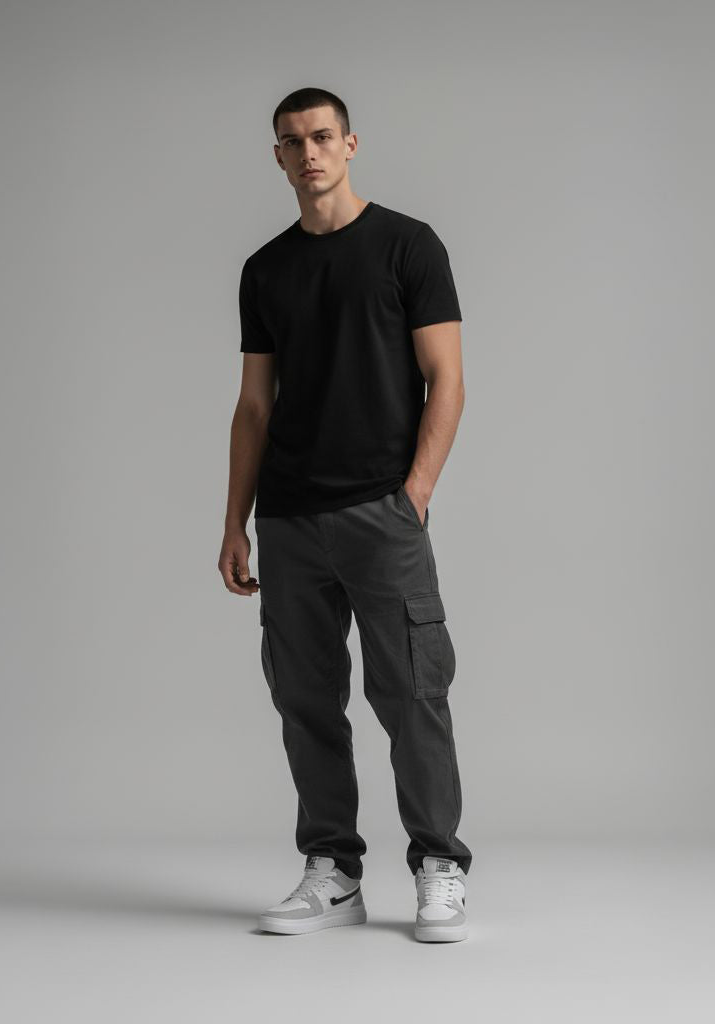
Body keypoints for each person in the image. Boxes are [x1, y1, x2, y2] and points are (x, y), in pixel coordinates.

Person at [218, 87, 472, 942]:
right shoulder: (265, 270)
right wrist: (236, 522)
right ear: (278, 157)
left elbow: (447, 380)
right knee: (305, 700)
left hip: (380, 512)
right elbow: (254, 405)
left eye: (322, 136)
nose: (309, 153)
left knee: (412, 692)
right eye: (292, 142)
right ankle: (333, 872)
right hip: (289, 518)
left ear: (350, 144)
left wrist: (415, 494)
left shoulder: (408, 245)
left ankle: (439, 865)